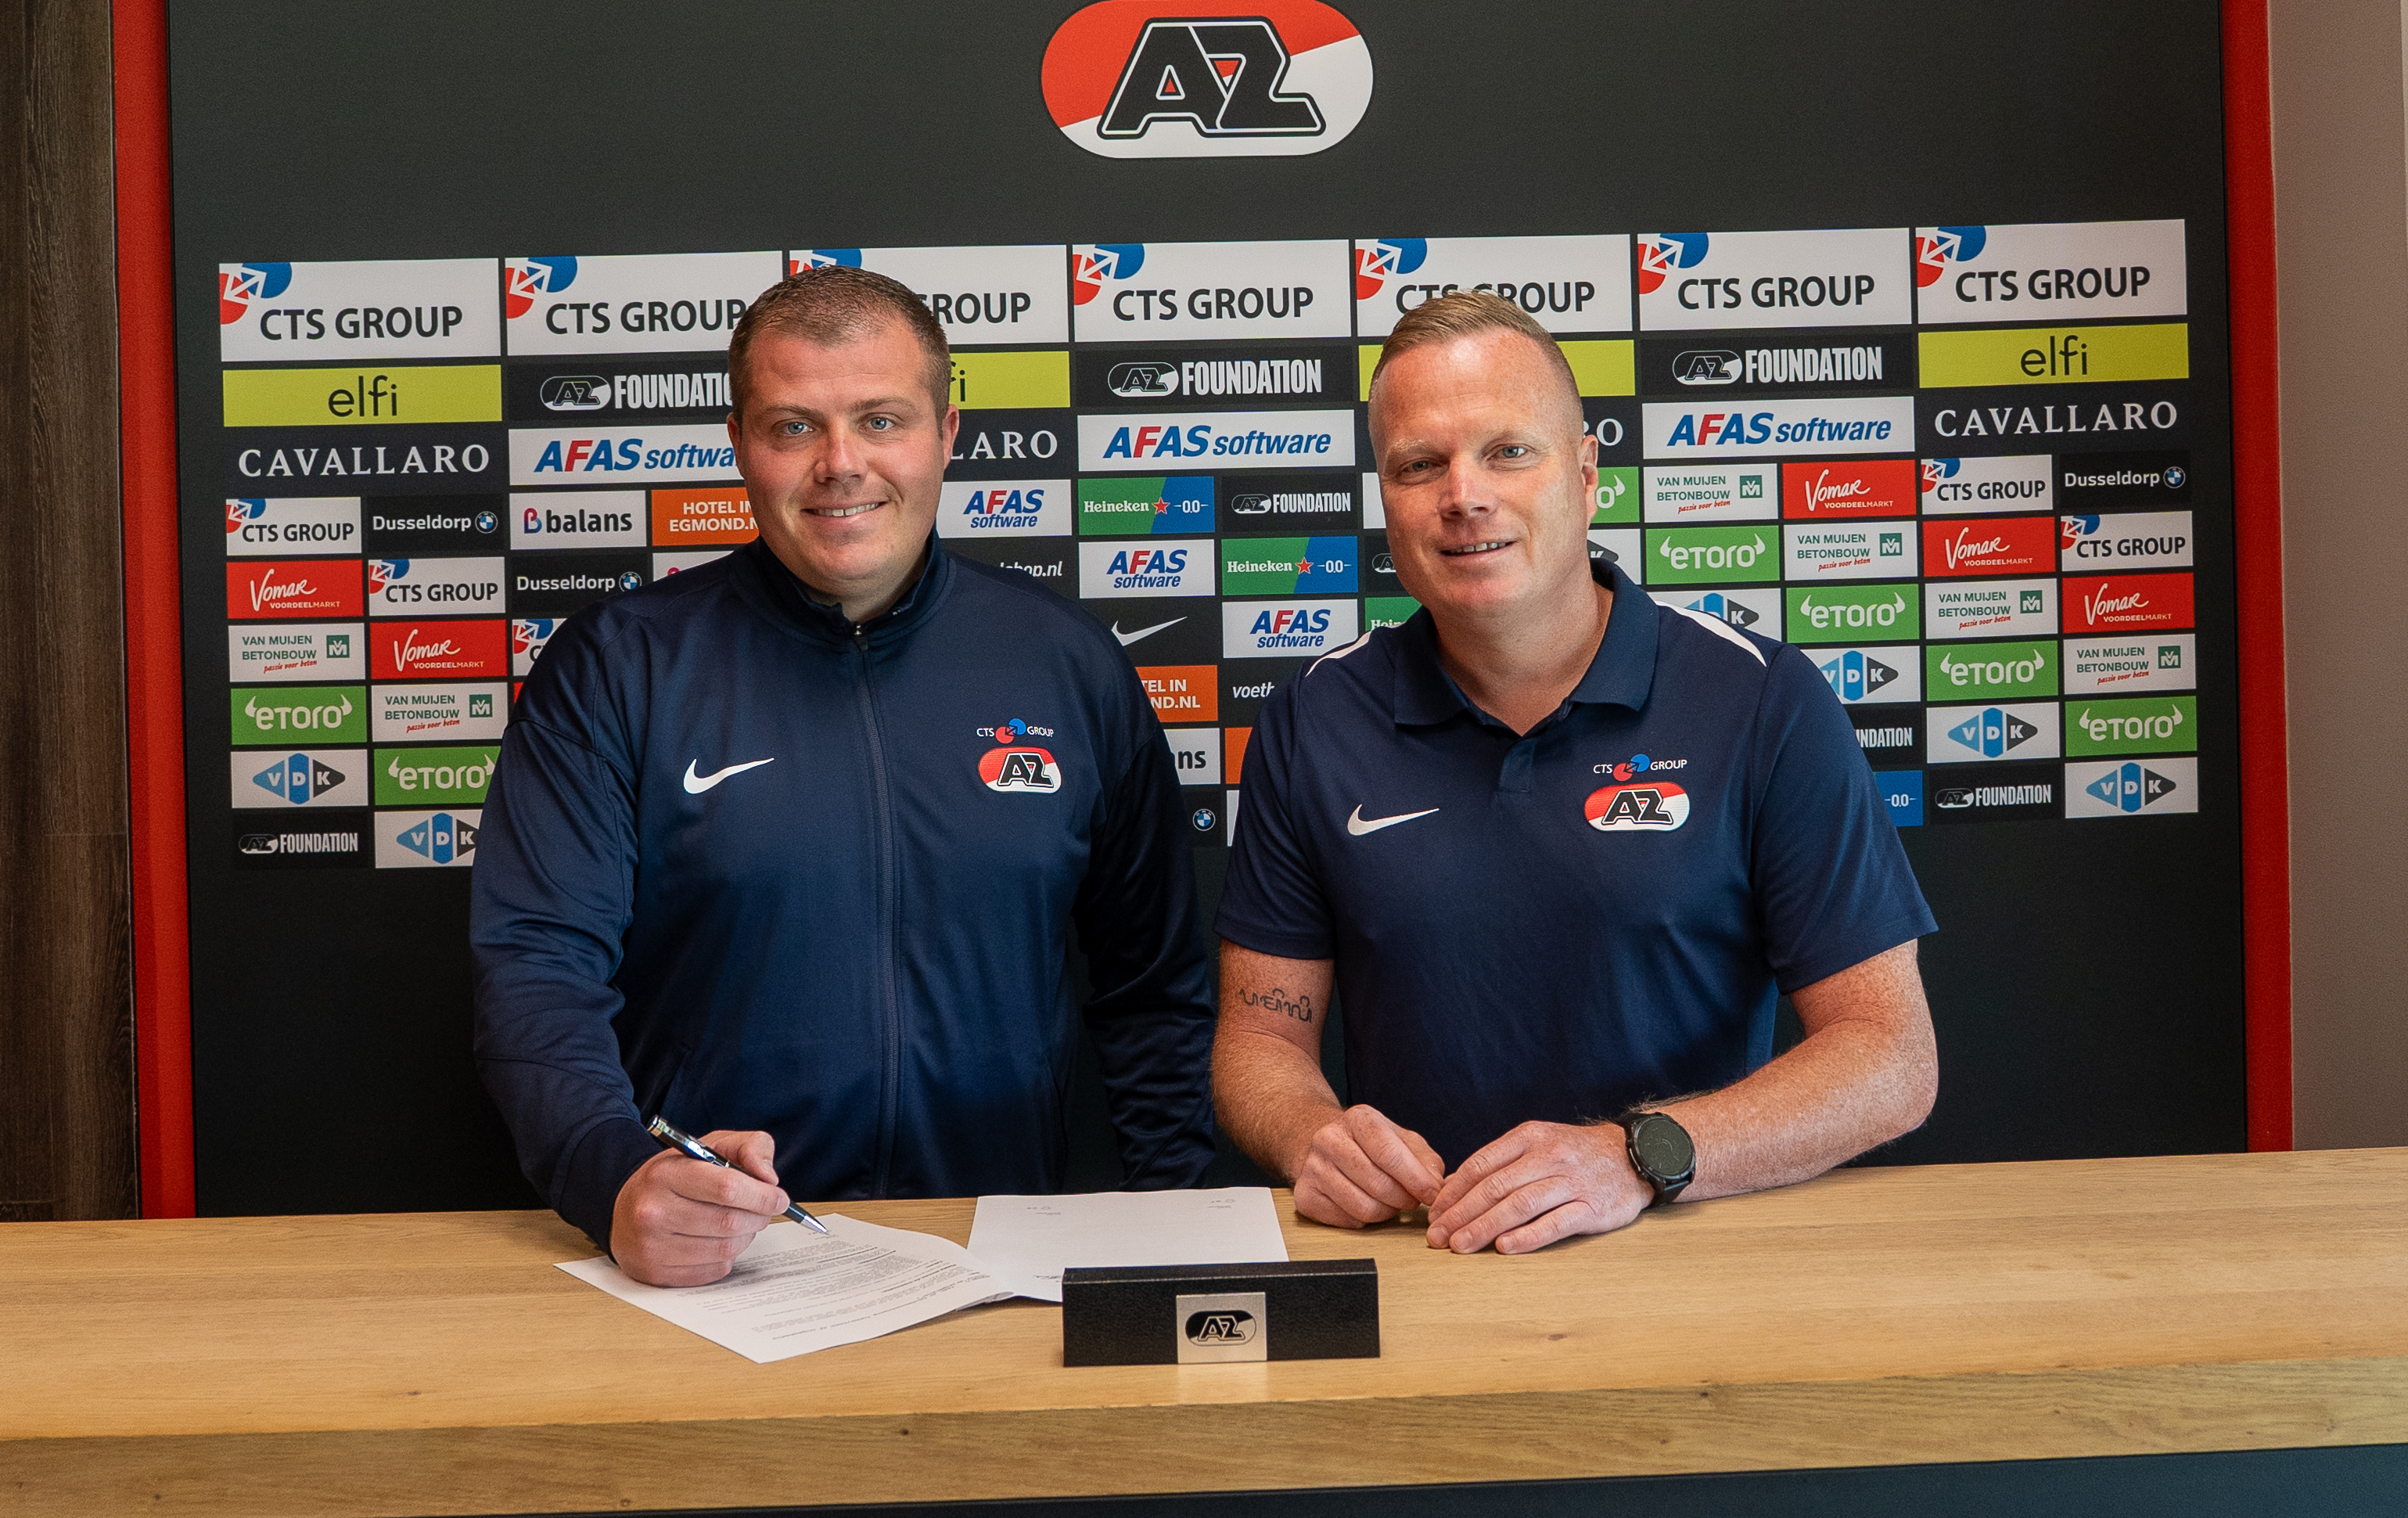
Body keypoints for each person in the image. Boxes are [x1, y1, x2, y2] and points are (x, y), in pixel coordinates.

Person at [473, 267, 1215, 1286]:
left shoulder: (1067, 664)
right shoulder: (620, 667)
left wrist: (1178, 1223)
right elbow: (536, 969)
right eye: (793, 427)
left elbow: (1155, 994)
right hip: (717, 1260)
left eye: (880, 420)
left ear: (946, 433)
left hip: (994, 1255)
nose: (840, 464)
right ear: (739, 443)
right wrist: (614, 1176)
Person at [1212, 290, 1938, 1255]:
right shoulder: (1314, 717)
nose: (1464, 495)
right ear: (1385, 496)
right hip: (1428, 1255)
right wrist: (1312, 1135)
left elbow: (1890, 1056)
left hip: (1693, 1257)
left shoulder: (1761, 699)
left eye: (1509, 451)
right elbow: (1260, 1040)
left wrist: (1637, 1157)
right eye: (1419, 464)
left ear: (1588, 475)